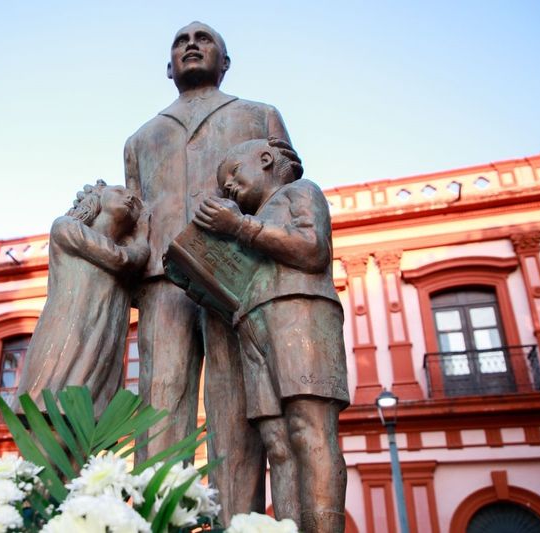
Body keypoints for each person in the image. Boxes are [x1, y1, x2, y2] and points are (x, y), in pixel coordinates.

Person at [124, 21, 292, 522]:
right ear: (168, 66)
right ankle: (159, 521)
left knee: (237, 400)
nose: (191, 45)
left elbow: (285, 188)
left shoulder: (260, 114)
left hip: (237, 270)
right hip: (162, 279)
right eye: (181, 41)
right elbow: (133, 215)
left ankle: (236, 522)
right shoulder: (140, 138)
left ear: (225, 61)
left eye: (204, 39)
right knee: (159, 399)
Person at [193, 138, 349, 532]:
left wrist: (238, 226)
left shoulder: (300, 191)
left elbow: (313, 250)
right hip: (253, 323)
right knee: (277, 443)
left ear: (265, 159)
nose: (227, 185)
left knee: (307, 428)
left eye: (232, 172)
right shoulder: (256, 219)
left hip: (301, 312)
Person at [14, 180, 149, 417]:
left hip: (104, 344)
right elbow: (119, 258)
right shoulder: (67, 228)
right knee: (52, 416)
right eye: (119, 192)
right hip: (67, 336)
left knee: (89, 429)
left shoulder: (130, 263)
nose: (129, 198)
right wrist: (142, 241)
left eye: (134, 200)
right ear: (96, 198)